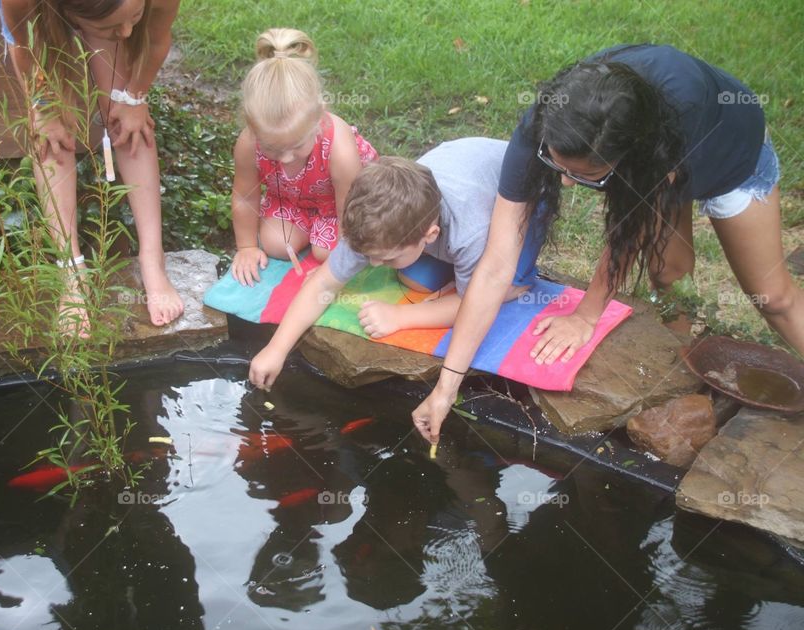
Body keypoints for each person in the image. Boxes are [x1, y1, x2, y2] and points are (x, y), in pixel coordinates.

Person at [412, 44, 804, 443]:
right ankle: (688, 366)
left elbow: (627, 233)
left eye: (587, 175)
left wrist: (586, 316)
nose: (564, 182)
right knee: (667, 271)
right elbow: (496, 266)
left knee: (772, 296)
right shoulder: (545, 127)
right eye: (557, 165)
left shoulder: (657, 133)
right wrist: (447, 388)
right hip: (664, 155)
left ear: (626, 157)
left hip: (729, 154)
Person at [249, 139, 542, 390]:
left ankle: (518, 283)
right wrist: (276, 349)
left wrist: (401, 317)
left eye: (386, 257)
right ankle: (451, 270)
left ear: (430, 235)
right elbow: (323, 283)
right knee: (415, 279)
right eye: (371, 256)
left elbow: (474, 304)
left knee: (501, 282)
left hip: (523, 196)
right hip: (460, 170)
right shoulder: (374, 221)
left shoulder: (472, 233)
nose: (375, 265)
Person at [0, 0, 184, 336]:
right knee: (52, 130)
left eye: (135, 17)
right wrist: (43, 107)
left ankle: (152, 260)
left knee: (127, 116)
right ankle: (71, 271)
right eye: (113, 27)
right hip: (41, 24)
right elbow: (24, 44)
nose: (128, 33)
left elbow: (155, 39)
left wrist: (135, 98)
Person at [229, 28, 378, 286]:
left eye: (297, 145)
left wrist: (335, 268)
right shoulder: (248, 144)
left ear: (318, 118)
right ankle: (310, 231)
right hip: (290, 200)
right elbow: (245, 197)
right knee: (277, 245)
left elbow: (350, 209)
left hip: (342, 205)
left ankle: (319, 237)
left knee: (326, 253)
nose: (285, 159)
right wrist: (246, 247)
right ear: (253, 130)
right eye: (273, 149)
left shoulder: (339, 149)